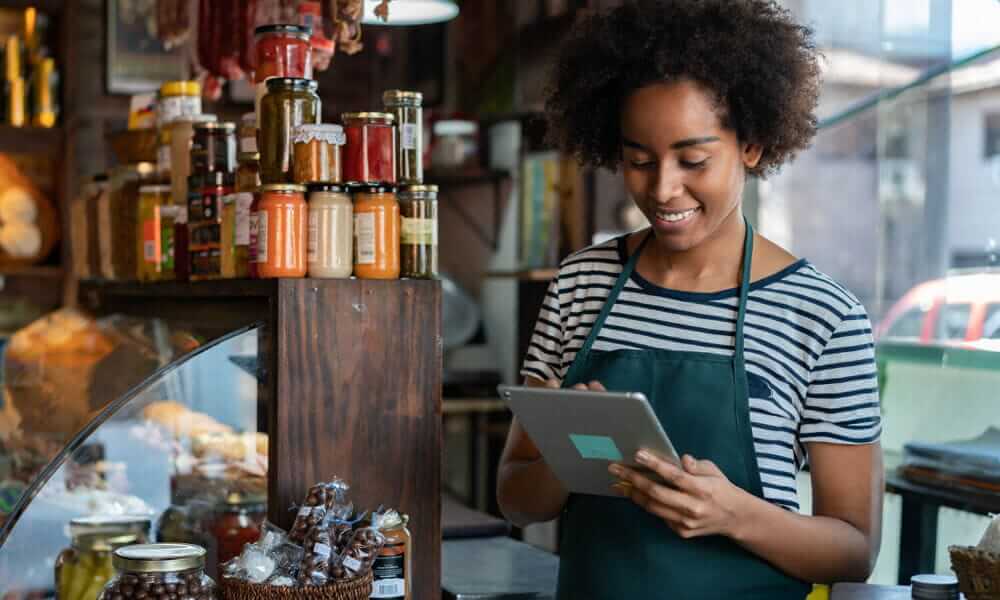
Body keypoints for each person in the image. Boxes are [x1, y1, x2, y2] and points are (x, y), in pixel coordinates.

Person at [496, 1, 885, 598]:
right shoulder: (581, 284)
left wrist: (733, 514)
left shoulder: (823, 316)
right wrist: (571, 452)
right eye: (638, 161)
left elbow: (855, 549)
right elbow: (516, 499)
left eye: (693, 159)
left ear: (751, 145)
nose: (662, 188)